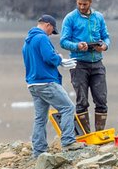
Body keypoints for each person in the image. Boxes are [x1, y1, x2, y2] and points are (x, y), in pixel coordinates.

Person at [22, 14, 80, 157]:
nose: (51, 34)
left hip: (33, 84)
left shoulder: (27, 41)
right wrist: (59, 58)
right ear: (48, 25)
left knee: (40, 118)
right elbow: (49, 58)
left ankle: (39, 151)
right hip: (46, 82)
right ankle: (68, 141)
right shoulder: (42, 38)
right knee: (67, 107)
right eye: (52, 31)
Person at [59, 0, 110, 134]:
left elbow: (106, 37)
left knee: (101, 100)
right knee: (81, 101)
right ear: (76, 1)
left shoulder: (98, 17)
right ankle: (86, 135)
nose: (82, 6)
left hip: (97, 63)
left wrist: (104, 46)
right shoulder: (70, 18)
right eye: (79, 3)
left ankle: (99, 134)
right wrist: (77, 46)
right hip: (78, 64)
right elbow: (63, 41)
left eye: (85, 4)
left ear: (90, 2)